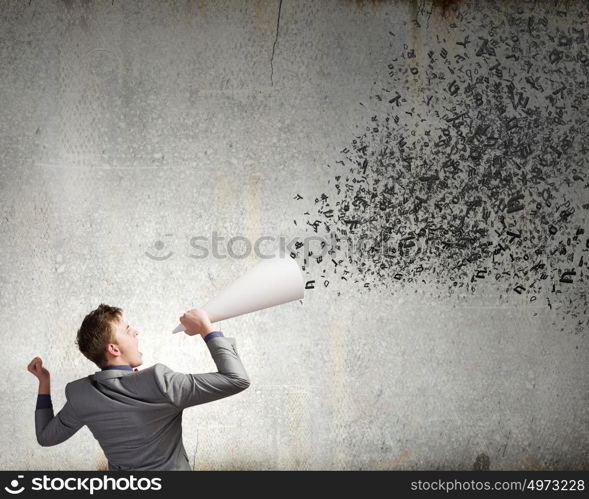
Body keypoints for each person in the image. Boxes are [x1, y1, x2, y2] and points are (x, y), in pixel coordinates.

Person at [27, 304, 250, 470]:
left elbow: (46, 437)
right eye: (127, 330)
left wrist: (44, 383)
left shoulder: (81, 394)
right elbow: (236, 379)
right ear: (113, 349)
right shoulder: (160, 383)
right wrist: (206, 329)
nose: (135, 333)